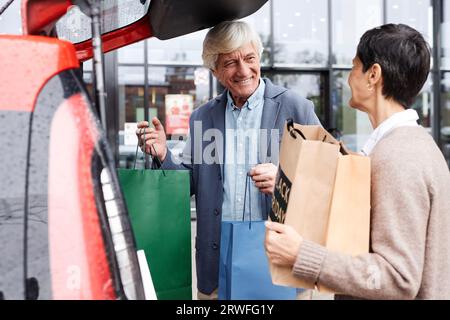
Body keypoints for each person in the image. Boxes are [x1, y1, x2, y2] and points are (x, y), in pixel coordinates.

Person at [136, 20, 321, 299]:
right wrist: (163, 154)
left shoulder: (296, 108)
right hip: (217, 266)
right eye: (231, 63)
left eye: (249, 58)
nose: (243, 70)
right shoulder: (203, 117)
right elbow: (187, 184)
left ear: (259, 58)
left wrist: (285, 181)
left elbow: (327, 181)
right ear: (215, 71)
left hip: (281, 263)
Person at [265, 23, 450, 300]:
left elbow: (397, 278)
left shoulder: (399, 158)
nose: (347, 78)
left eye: (354, 67)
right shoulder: (400, 146)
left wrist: (301, 254)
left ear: (373, 75)